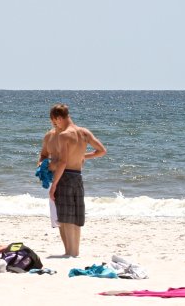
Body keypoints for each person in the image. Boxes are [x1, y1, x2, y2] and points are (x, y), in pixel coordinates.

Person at [46, 104, 106, 257]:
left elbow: (63, 162)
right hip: (78, 176)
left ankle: (68, 252)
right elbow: (101, 151)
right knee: (76, 215)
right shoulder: (84, 132)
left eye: (55, 121)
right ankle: (75, 252)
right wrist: (83, 156)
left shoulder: (64, 135)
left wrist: (53, 186)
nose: (55, 125)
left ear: (59, 118)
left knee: (65, 215)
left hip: (65, 176)